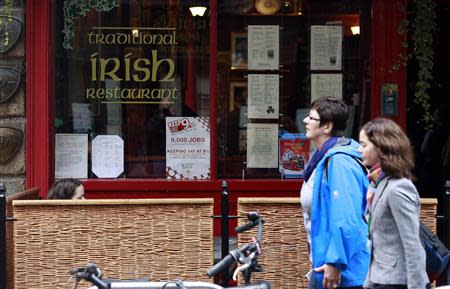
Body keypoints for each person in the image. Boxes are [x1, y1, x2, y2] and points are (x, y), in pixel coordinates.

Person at [300, 97, 370, 289]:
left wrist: (335, 262)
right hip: (326, 264)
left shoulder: (339, 161)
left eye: (311, 117)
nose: (305, 121)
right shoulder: (324, 157)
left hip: (343, 272)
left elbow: (346, 215)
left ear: (327, 127)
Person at [359, 118, 429, 289]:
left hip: (397, 282)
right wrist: (369, 280)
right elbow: (377, 240)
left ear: (381, 147)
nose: (359, 150)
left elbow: (412, 243)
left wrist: (417, 286)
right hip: (379, 278)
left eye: (363, 145)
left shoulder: (398, 187)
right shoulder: (378, 183)